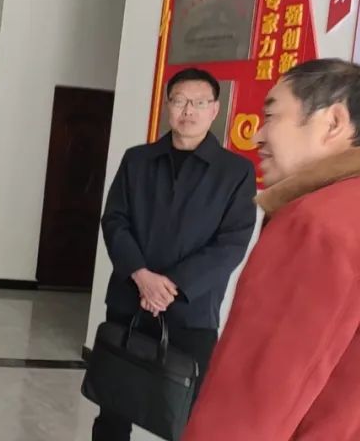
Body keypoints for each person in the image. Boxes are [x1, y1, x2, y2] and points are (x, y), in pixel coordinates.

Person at [184, 59, 360, 440]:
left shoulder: (317, 225)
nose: (257, 136)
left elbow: (245, 412)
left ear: (334, 123)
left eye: (271, 115)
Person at [94, 68, 257, 441]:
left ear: (215, 110)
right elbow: (115, 220)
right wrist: (141, 276)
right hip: (129, 302)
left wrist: (171, 287)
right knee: (114, 407)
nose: (188, 111)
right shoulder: (137, 160)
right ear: (167, 106)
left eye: (199, 102)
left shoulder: (235, 172)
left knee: (188, 414)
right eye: (180, 101)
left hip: (191, 311)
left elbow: (231, 242)